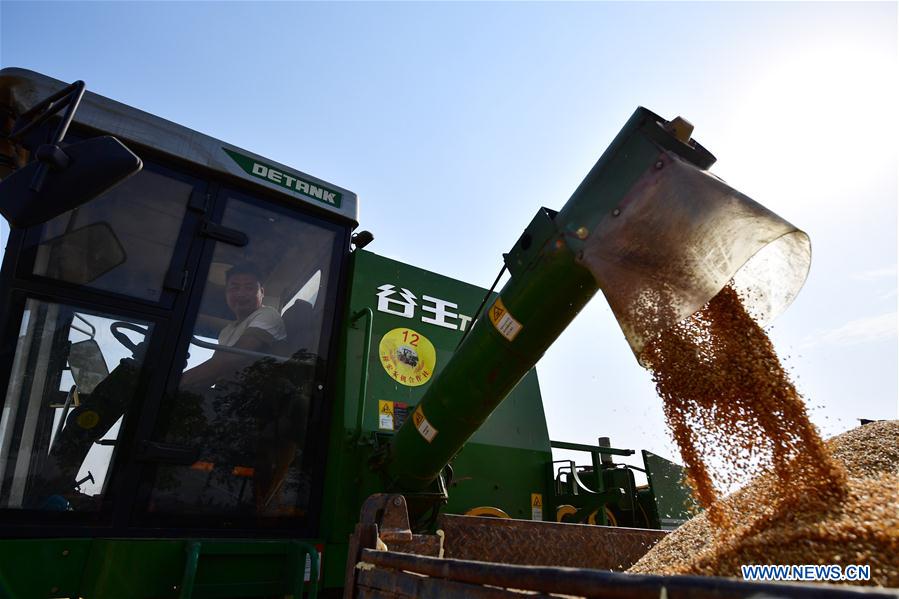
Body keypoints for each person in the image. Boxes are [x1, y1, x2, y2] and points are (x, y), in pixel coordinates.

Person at [180, 262, 286, 391]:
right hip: (224, 396)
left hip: (253, 395)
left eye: (249, 287)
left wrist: (178, 381)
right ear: (226, 294)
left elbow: (233, 358)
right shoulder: (226, 331)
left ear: (262, 292)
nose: (241, 294)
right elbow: (214, 371)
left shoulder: (268, 315)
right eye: (234, 288)